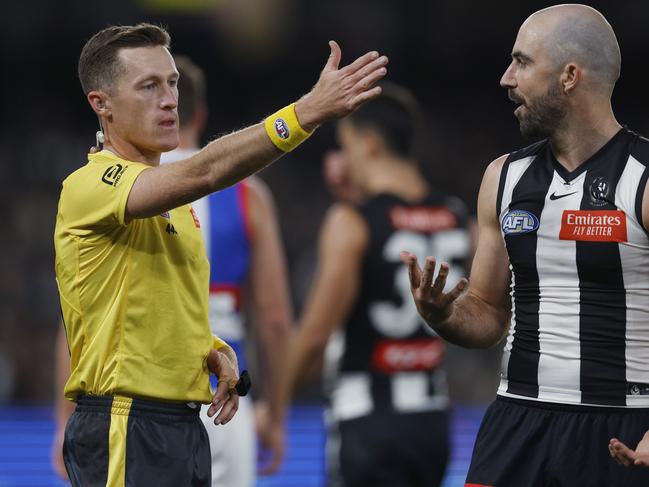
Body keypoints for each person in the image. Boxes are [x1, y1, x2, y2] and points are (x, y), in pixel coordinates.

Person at [54, 22, 387, 486]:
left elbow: (151, 300)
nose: (170, 98)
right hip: (125, 423)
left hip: (185, 423)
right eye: (148, 86)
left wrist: (211, 350)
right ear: (101, 104)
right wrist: (305, 113)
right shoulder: (89, 186)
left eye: (171, 83)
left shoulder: (180, 209)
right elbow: (205, 171)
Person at [400, 5, 649, 487]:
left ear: (570, 76)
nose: (506, 78)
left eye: (522, 62)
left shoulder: (642, 180)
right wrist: (444, 315)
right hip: (517, 422)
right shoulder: (503, 178)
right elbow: (488, 314)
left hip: (623, 428)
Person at [287, 84, 472, 486]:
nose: (342, 159)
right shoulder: (458, 218)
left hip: (364, 419)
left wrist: (273, 402)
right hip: (432, 421)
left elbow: (315, 337)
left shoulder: (350, 223)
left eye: (346, 145)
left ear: (368, 144)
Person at [161, 55, 293, 484]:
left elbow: (79, 315)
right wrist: (275, 411)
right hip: (225, 402)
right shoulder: (248, 196)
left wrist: (63, 416)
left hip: (141, 401)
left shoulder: (123, 189)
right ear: (200, 115)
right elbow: (274, 318)